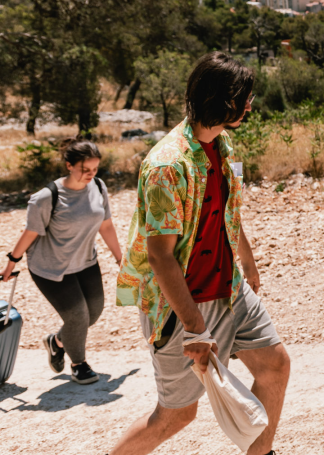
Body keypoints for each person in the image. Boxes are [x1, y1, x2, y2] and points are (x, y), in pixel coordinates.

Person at [110, 52, 289, 455]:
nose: (249, 105)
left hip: (230, 289)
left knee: (275, 365)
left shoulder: (224, 144)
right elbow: (160, 256)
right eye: (245, 97)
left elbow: (229, 208)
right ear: (221, 99)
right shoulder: (165, 166)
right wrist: (194, 326)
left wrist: (247, 260)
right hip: (184, 305)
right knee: (177, 415)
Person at [2, 140, 123, 384]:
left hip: (85, 261)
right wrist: (11, 263)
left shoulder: (98, 187)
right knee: (78, 316)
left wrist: (121, 258)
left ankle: (56, 342)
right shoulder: (46, 198)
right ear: (69, 166)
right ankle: (79, 364)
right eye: (85, 170)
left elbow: (106, 225)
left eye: (95, 169)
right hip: (51, 267)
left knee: (94, 313)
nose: (91, 175)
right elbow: (30, 232)